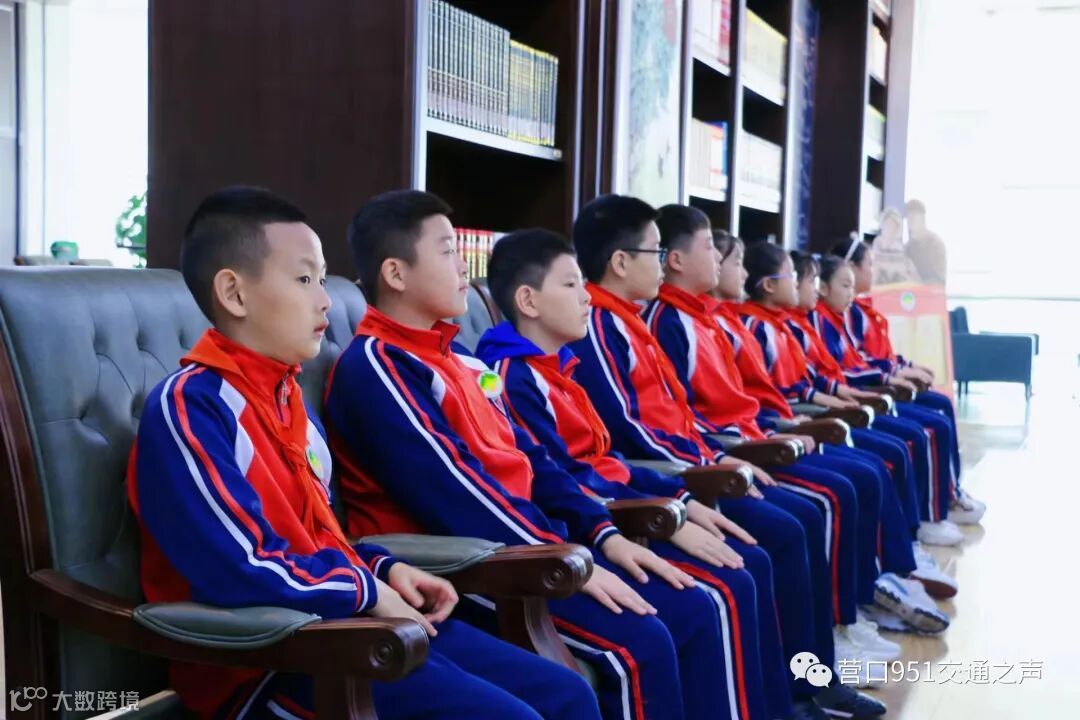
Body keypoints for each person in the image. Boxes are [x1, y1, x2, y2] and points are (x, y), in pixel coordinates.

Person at [127, 186, 602, 720]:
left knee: (565, 694)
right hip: (271, 661)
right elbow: (239, 568)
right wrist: (366, 590)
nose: (326, 300)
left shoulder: (286, 398)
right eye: (304, 280)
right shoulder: (192, 406)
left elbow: (319, 540)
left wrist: (386, 569)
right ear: (234, 293)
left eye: (322, 279)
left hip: (346, 625)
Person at [326, 189, 747, 720]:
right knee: (648, 637)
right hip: (471, 568)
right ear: (396, 273)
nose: (464, 266)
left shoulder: (456, 357)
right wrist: (563, 557)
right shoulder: (379, 366)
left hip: (531, 542)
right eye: (448, 251)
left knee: (697, 600)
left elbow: (534, 460)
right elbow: (458, 494)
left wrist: (602, 535)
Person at [564, 195, 888, 719]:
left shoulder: (636, 319)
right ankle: (799, 688)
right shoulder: (605, 325)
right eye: (657, 250)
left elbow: (684, 416)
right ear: (622, 262)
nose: (718, 260)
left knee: (818, 503)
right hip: (679, 479)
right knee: (791, 525)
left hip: (700, 462)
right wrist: (703, 473)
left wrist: (724, 449)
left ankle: (811, 676)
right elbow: (627, 431)